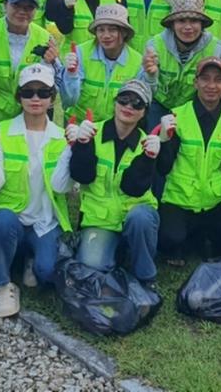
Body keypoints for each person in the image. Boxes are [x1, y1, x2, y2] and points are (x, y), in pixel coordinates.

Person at [0, 64, 72, 317]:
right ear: (18, 97)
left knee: (46, 273)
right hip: (12, 219)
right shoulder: (0, 132)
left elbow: (61, 187)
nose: (35, 99)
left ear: (52, 98)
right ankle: (3, 283)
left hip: (44, 221)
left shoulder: (61, 137)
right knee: (0, 220)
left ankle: (30, 257)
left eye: (43, 93)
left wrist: (72, 151)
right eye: (28, 92)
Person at [156, 57, 221, 263]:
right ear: (196, 82)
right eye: (205, 79)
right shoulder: (176, 117)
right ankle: (195, 241)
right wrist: (164, 140)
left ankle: (202, 239)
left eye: (218, 80)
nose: (211, 86)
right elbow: (163, 167)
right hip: (179, 200)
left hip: (216, 201)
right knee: (168, 237)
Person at [68, 79, 161, 286]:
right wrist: (82, 145)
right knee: (90, 267)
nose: (129, 106)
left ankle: (145, 277)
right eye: (124, 99)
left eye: (137, 103)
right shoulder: (92, 133)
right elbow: (81, 176)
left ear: (144, 112)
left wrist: (148, 159)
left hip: (134, 215)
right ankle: (118, 252)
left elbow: (134, 188)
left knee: (141, 218)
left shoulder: (147, 144)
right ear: (115, 103)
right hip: (100, 220)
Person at [142, 0, 221, 129]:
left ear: (202, 24)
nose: (188, 27)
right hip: (159, 106)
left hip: (195, 108)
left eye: (194, 21)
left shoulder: (217, 48)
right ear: (172, 25)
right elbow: (146, 91)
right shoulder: (154, 45)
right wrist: (151, 76)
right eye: (181, 21)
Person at [60, 3, 145, 122]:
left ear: (124, 32)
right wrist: (71, 75)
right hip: (78, 126)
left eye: (112, 30)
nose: (106, 36)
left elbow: (139, 107)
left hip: (114, 130)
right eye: (101, 30)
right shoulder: (81, 52)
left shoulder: (137, 62)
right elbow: (68, 101)